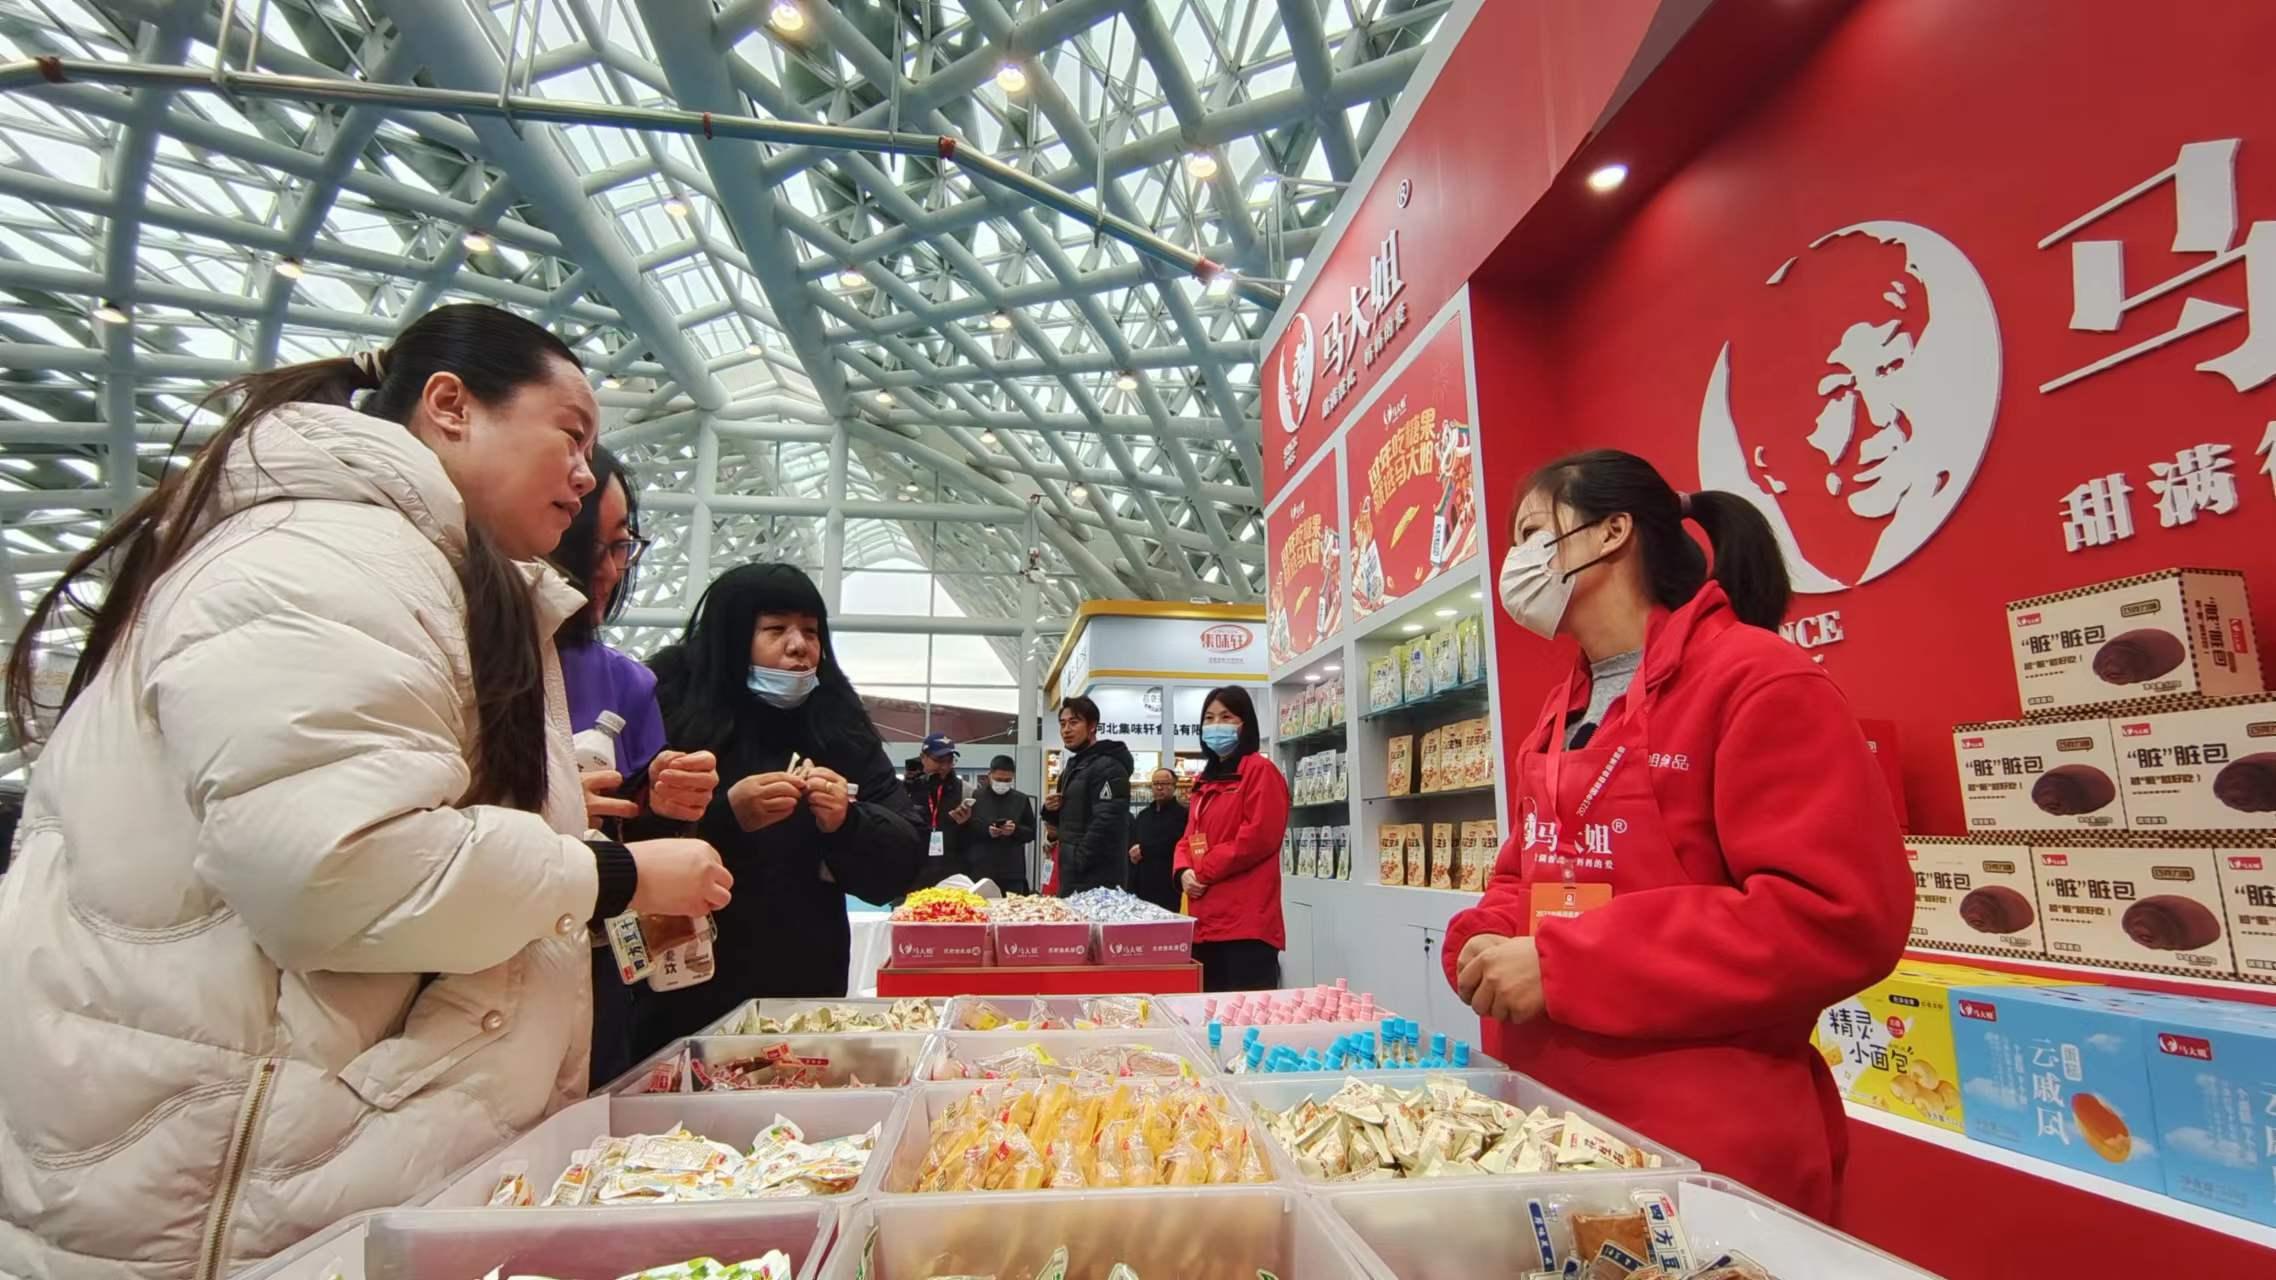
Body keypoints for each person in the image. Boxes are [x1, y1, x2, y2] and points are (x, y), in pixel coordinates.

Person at [0, 304, 732, 1277]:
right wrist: (615, 876)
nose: (584, 475)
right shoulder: (330, 558)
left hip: (258, 1161)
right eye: (570, 434)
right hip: (215, 1188)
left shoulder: (403, 566)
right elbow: (337, 868)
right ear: (449, 406)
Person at [1446, 448, 1908, 1221]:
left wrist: (1564, 964)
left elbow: (1833, 915)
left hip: (1703, 1142)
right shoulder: (1562, 710)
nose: (1514, 562)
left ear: (1611, 532)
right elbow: (1525, 872)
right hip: (1550, 1121)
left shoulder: (1757, 680)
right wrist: (1483, 935)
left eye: (1531, 533)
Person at [636, 563, 925, 1054]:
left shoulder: (837, 720)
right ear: (731, 638)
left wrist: (847, 822)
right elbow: (621, 844)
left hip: (803, 995)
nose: (799, 647)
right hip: (683, 995)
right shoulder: (665, 706)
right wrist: (726, 816)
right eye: (775, 629)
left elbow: (903, 858)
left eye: (811, 631)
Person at [546, 443, 720, 1088]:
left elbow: (639, 833)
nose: (608, 568)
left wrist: (670, 801)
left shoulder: (624, 681)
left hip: (593, 969)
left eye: (622, 545)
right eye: (587, 543)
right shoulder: (452, 656)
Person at [1174, 688, 1292, 991]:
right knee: (1208, 1011)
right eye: (1209, 718)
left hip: (1246, 923)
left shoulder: (1260, 771)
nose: (1216, 725)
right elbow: (1188, 837)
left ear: (1245, 724)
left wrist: (1203, 870)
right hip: (1204, 921)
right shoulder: (1204, 781)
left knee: (1245, 1011)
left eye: (1226, 717)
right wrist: (1182, 871)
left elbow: (1258, 838)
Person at [1045, 695, 1133, 895]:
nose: (1066, 730)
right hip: (1073, 875)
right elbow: (1069, 819)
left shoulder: (1109, 766)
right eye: (1062, 724)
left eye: (1074, 722)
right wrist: (1050, 809)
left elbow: (1107, 821)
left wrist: (1078, 859)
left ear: (1092, 726)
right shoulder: (1074, 767)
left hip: (1097, 879)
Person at [956, 754, 1038, 894]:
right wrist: (987, 831)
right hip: (981, 869)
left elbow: (1031, 833)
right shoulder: (975, 797)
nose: (1002, 784)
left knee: (1013, 906)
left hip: (1012, 871)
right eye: (999, 779)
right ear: (989, 775)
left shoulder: (1021, 799)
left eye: (1007, 780)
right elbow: (966, 831)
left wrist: (1015, 830)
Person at [907, 732, 967, 888]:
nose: (945, 767)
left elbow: (975, 838)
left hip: (952, 873)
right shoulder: (908, 789)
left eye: (950, 761)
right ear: (923, 757)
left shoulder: (965, 790)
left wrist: (965, 823)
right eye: (939, 760)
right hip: (913, 870)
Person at [1127, 766, 1187, 913]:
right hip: (1142, 884)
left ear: (1174, 787)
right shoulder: (1143, 815)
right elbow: (1134, 840)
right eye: (1156, 783)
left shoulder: (1183, 815)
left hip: (1168, 885)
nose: (1159, 788)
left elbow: (1175, 843)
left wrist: (1145, 850)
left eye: (1165, 784)